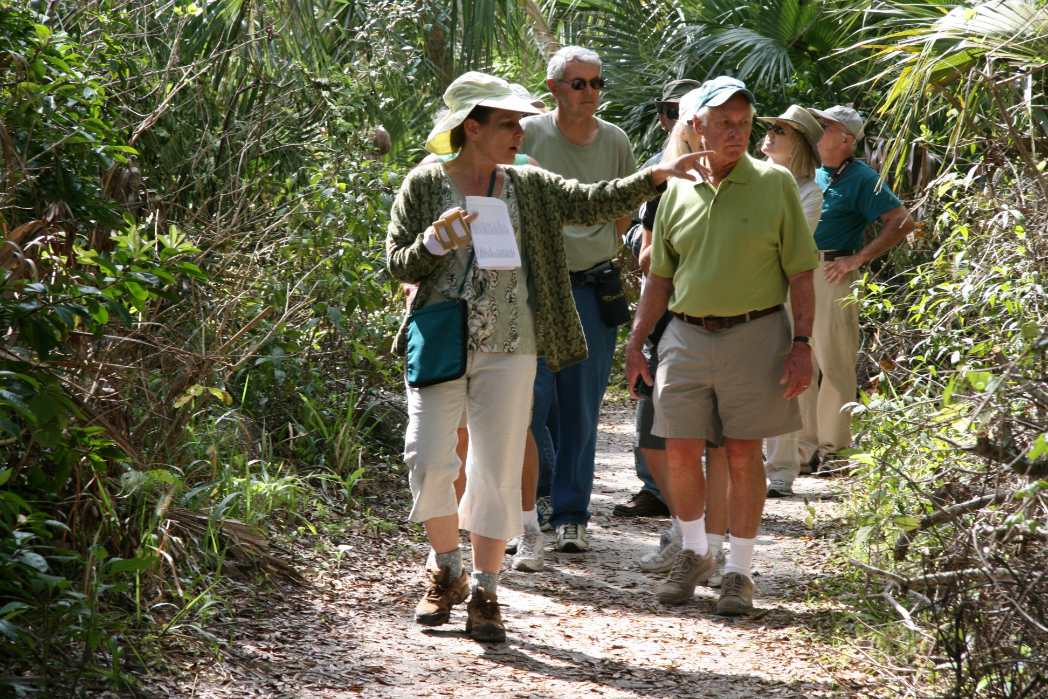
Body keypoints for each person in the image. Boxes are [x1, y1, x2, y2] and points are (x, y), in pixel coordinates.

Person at [387, 71, 703, 642]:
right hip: (440, 342)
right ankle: (445, 567)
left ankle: (485, 588)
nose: (519, 132)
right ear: (471, 127)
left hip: (513, 345)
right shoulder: (424, 183)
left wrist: (654, 177)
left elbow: (588, 201)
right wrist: (434, 243)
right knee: (429, 458)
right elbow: (398, 263)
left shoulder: (525, 185)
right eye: (508, 123)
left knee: (498, 466)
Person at [625, 77, 818, 616]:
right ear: (696, 126)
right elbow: (658, 279)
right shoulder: (676, 189)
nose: (736, 132)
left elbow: (801, 274)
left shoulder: (775, 183)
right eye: (724, 123)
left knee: (740, 452)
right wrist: (638, 342)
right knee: (679, 447)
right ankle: (694, 553)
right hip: (684, 333)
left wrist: (801, 343)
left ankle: (739, 571)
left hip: (756, 331)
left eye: (744, 123)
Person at [521, 46, 637, 554]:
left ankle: (572, 513)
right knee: (527, 401)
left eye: (596, 83)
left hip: (593, 286)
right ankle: (534, 499)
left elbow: (624, 211)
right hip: (533, 286)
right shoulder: (527, 135)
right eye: (578, 84)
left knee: (580, 405)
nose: (589, 93)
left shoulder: (615, 141)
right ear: (554, 89)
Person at [799, 105, 915, 470]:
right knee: (799, 356)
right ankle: (801, 452)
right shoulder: (811, 172)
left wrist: (857, 259)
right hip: (798, 271)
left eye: (825, 126)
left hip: (832, 271)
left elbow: (902, 221)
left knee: (834, 362)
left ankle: (834, 452)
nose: (817, 130)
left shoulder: (862, 177)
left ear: (847, 139)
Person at [613, 78, 699, 520]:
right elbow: (637, 238)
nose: (676, 120)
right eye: (669, 111)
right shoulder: (655, 170)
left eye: (686, 111)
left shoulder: (751, 178)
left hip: (711, 310)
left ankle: (701, 521)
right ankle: (654, 488)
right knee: (650, 398)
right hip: (662, 304)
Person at [756, 105, 825, 497]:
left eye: (781, 130)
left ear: (796, 142)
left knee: (784, 379)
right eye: (772, 127)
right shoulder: (751, 177)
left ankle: (782, 469)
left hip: (783, 298)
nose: (771, 134)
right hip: (744, 291)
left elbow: (789, 244)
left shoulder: (810, 192)